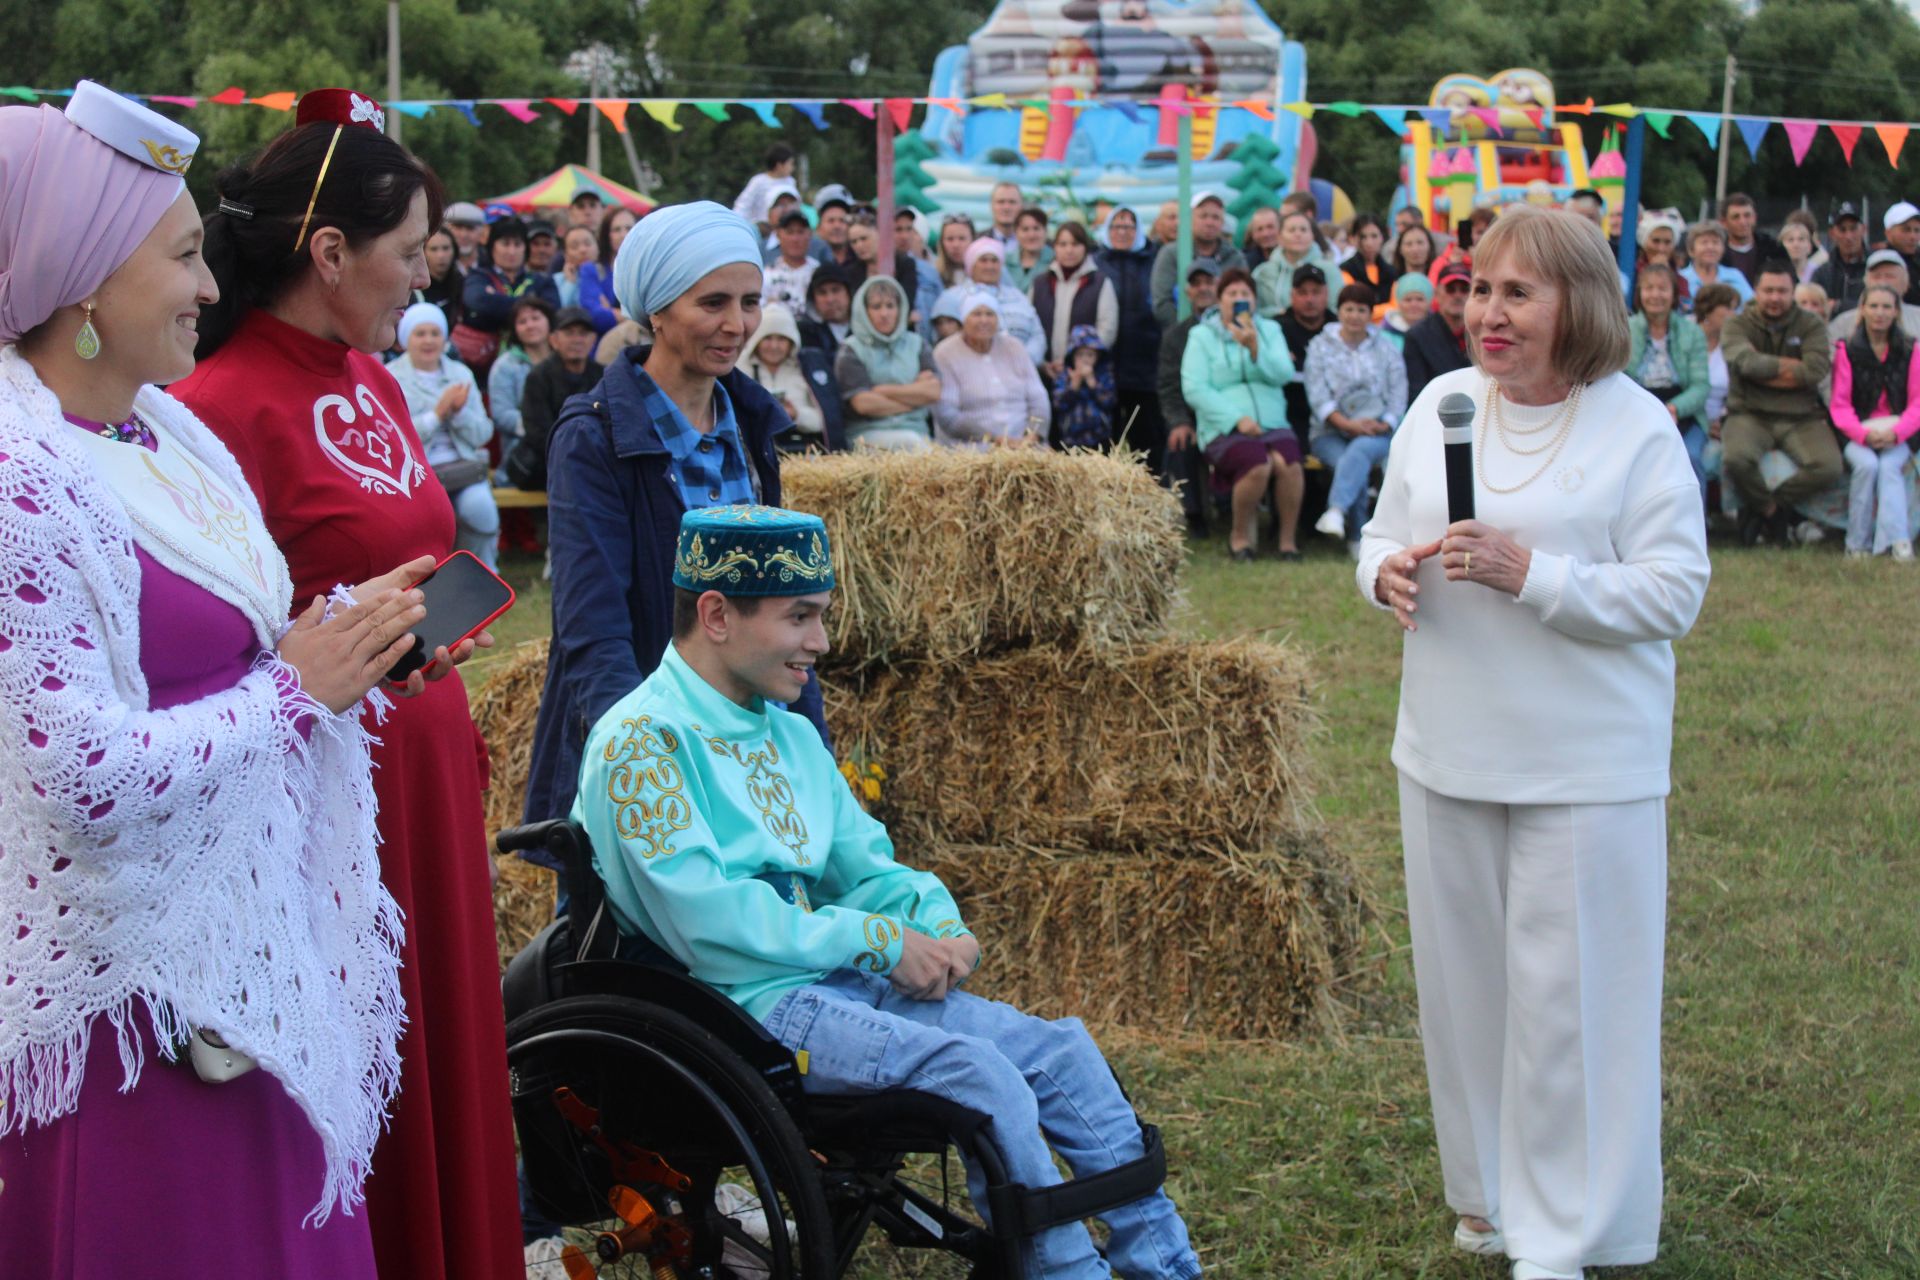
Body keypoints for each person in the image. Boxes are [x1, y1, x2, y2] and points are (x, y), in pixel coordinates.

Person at [0, 80, 440, 1280]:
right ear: (85, 281)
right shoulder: (20, 477)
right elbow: (77, 770)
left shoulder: (165, 431)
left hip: (249, 961)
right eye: (185, 256)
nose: (210, 285)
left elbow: (230, 653)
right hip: (136, 1010)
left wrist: (339, 645)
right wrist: (294, 690)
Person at [575, 505, 1203, 1280]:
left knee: (1061, 1051)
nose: (822, 643)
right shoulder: (641, 742)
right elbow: (709, 921)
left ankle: (1166, 1265)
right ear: (716, 614)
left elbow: (866, 868)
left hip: (829, 980)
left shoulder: (788, 732)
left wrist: (934, 922)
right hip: (740, 1009)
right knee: (982, 1078)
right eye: (800, 617)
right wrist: (873, 941)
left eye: (823, 617)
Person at [169, 87, 519, 1280]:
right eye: (411, 252)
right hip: (325, 793)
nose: (427, 279)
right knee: (372, 1053)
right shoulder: (212, 408)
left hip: (421, 755)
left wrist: (418, 629)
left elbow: (390, 547)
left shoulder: (373, 376)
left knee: (445, 1041)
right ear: (329, 253)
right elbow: (198, 646)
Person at [1358, 204, 1710, 1280]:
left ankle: (1566, 1230)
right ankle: (1487, 1196)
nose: (1488, 313)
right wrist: (1383, 575)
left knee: (1570, 1004)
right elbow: (1379, 530)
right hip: (1448, 748)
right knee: (1465, 991)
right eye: (1478, 289)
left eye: (1519, 293)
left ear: (1580, 306)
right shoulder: (1439, 403)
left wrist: (1535, 575)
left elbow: (1675, 589)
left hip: (1583, 764)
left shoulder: (1634, 425)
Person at [523, 201, 831, 851]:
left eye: (749, 302)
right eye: (712, 302)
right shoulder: (594, 436)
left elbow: (780, 610)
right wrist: (645, 775)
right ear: (657, 310)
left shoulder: (750, 424)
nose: (737, 324)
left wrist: (812, 756)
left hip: (753, 747)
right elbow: (593, 625)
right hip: (648, 753)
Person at [1181, 267, 1304, 561]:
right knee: (1257, 464)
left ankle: (1287, 542)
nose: (1239, 299)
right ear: (1220, 300)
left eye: (1245, 294)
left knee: (1289, 464)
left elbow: (1284, 373)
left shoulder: (1269, 330)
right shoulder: (1201, 336)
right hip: (1225, 425)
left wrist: (1255, 350)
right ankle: (1239, 537)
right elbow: (1195, 387)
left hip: (1272, 421)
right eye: (1232, 294)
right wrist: (1237, 419)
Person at [1721, 262, 1841, 546]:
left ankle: (1767, 508)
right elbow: (1744, 364)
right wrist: (1792, 369)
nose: (1775, 297)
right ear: (1756, 291)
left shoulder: (1810, 324)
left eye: (1782, 291)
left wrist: (1764, 371)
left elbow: (1815, 371)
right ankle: (1772, 514)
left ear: (1793, 291)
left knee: (1829, 466)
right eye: (1768, 290)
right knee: (1735, 460)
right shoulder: (1737, 324)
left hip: (1801, 416)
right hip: (1749, 414)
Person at [388, 302, 500, 567]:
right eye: (420, 333)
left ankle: (482, 576)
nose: (428, 341)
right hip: (416, 475)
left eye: (435, 333)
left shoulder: (460, 373)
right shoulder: (391, 377)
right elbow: (391, 440)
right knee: (424, 526)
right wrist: (437, 415)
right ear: (406, 339)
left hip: (462, 468)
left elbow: (482, 434)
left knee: (481, 509)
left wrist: (459, 414)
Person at [1307, 284, 1408, 549]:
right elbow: (1317, 394)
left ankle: (1337, 513)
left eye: (1361, 310)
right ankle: (1357, 535)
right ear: (1339, 311)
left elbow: (1399, 392)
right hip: (1329, 432)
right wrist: (1346, 424)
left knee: (1359, 451)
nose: (1354, 315)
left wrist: (1384, 422)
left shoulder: (1386, 348)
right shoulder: (1319, 346)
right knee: (1349, 461)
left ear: (1370, 314)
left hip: (1377, 431)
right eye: (1348, 309)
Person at [1828, 282, 1918, 560]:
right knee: (1866, 466)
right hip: (1859, 431)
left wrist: (1897, 433)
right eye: (1874, 306)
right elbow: (1840, 404)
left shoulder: (1911, 349)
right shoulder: (1847, 350)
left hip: (1899, 431)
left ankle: (1898, 541)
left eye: (1886, 307)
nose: (1880, 313)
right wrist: (1863, 435)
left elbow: (1917, 402)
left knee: (1891, 465)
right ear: (1863, 310)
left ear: (1896, 313)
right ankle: (1856, 543)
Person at [1626, 263, 1711, 502]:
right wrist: (1651, 411)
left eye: (1662, 289)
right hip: (1638, 411)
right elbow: (1621, 379)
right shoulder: (1626, 330)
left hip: (1682, 411)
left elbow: (1701, 386)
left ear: (1674, 294)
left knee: (1690, 457)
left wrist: (1673, 409)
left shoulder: (1691, 332)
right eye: (1649, 288)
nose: (1655, 295)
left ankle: (1696, 531)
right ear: (1640, 293)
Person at [932, 293, 1050, 450]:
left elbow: (1038, 399)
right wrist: (996, 439)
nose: (984, 320)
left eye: (990, 314)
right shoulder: (945, 353)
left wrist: (1031, 436)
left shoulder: (1014, 347)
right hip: (974, 447)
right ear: (963, 319)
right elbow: (948, 415)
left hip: (1024, 445)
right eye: (976, 314)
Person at [1099, 206, 1167, 469]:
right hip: (1107, 368)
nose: (1122, 232)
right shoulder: (1097, 261)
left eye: (1129, 227)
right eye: (1116, 226)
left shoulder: (1153, 260)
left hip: (1146, 367)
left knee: (1148, 443)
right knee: (1108, 443)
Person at [837, 276, 939, 451]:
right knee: (912, 444)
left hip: (917, 431)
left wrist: (882, 390)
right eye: (876, 307)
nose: (884, 314)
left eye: (890, 306)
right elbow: (863, 404)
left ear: (900, 309)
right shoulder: (851, 349)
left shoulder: (917, 344)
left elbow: (933, 391)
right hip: (867, 435)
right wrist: (914, 400)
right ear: (864, 310)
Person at [506, 306, 602, 492]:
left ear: (593, 340)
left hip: (594, 460)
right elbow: (537, 432)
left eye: (583, 334)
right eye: (570, 333)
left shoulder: (603, 375)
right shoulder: (539, 376)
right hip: (549, 464)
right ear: (554, 340)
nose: (577, 340)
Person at [1157, 260, 1221, 528]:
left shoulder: (1234, 331)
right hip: (1192, 414)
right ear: (1187, 291)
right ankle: (1193, 515)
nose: (1203, 289)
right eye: (1197, 284)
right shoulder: (1175, 335)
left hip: (1228, 413)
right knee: (1179, 442)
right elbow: (1168, 385)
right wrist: (1179, 422)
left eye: (1209, 282)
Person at [458, 215, 560, 375]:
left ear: (525, 248)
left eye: (517, 244)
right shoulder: (478, 276)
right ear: (493, 247)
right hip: (483, 365)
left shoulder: (540, 280)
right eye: (505, 244)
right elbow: (476, 300)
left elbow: (552, 310)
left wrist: (496, 303)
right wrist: (531, 304)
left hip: (533, 365)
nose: (511, 251)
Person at [934, 238, 1046, 364]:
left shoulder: (1017, 296)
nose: (989, 266)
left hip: (1023, 368)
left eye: (994, 261)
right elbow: (948, 339)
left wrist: (1024, 360)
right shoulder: (952, 297)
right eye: (983, 260)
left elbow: (1037, 334)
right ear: (972, 264)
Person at [739, 303, 832, 451]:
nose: (774, 346)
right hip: (751, 451)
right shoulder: (739, 368)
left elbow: (827, 421)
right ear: (756, 340)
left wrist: (796, 415)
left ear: (792, 341)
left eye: (781, 339)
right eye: (768, 338)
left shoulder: (806, 370)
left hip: (801, 452)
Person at [1034, 221, 1118, 379]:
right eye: (1063, 244)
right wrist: (1042, 363)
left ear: (1085, 247)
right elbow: (1030, 325)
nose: (1069, 250)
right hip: (1044, 373)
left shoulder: (1099, 282)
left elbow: (1107, 329)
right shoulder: (1040, 283)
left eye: (1075, 243)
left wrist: (1082, 362)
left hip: (1085, 376)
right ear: (1054, 247)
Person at [1151, 193, 1247, 326]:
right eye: (1203, 216)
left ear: (1222, 222)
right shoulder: (1170, 254)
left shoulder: (1235, 257)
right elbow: (1162, 303)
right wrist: (1188, 331)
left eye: (1216, 217)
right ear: (1190, 219)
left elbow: (1244, 298)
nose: (1209, 222)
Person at [488, 294, 554, 473]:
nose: (530, 325)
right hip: (525, 454)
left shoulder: (564, 359)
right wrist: (545, 432)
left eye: (535, 318)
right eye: (522, 321)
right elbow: (502, 415)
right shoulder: (505, 366)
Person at [1405, 261, 1474, 402]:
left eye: (1464, 289)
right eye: (1450, 289)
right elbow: (1417, 392)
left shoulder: (1482, 332)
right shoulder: (1418, 336)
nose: (1457, 295)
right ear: (1437, 294)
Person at [1276, 264, 1331, 438]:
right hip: (1289, 411)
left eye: (1316, 292)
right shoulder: (1276, 328)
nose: (1309, 299)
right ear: (1292, 295)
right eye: (1303, 292)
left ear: (1326, 294)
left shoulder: (1337, 327)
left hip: (1333, 412)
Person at [1252, 208, 1340, 319]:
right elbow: (1254, 310)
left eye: (1303, 230)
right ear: (1279, 236)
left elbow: (1336, 308)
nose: (1298, 234)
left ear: (1312, 236)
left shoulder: (1329, 269)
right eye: (1291, 230)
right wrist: (1278, 313)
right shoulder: (1263, 272)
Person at [1827, 249, 1920, 341]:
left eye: (1890, 276)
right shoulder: (1843, 324)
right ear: (1866, 282)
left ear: (1906, 283)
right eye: (1877, 277)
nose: (1883, 282)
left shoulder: (1917, 318)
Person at [1051, 324, 1119, 449]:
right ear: (1072, 356)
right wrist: (1074, 386)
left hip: (1099, 440)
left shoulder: (1103, 375)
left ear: (1098, 355)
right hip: (1070, 440)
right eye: (1080, 355)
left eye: (1090, 355)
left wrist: (1093, 383)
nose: (1085, 360)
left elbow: (1110, 402)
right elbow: (1058, 404)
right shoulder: (1065, 376)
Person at [842, 214, 922, 318]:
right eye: (854, 242)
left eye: (864, 239)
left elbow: (907, 301)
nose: (859, 245)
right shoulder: (850, 272)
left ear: (879, 235)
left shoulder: (904, 264)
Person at [578, 204, 636, 335]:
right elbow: (596, 316)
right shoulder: (591, 270)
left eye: (629, 228)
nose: (623, 234)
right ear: (606, 235)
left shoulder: (648, 267)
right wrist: (639, 317)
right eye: (616, 230)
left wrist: (612, 311)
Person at [1695, 282, 1740, 448]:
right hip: (1685, 420)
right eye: (1728, 308)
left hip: (1718, 426)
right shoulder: (1686, 335)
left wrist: (1723, 420)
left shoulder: (1731, 345)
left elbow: (1735, 395)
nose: (1733, 314)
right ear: (1708, 308)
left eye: (1735, 309)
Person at [764, 206, 823, 316]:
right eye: (790, 232)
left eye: (800, 232)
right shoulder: (766, 274)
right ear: (778, 235)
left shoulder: (820, 273)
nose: (795, 239)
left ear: (809, 234)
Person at [1679, 220, 1752, 308]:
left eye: (1715, 242)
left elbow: (1752, 306)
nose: (1710, 247)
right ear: (1691, 249)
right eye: (1704, 242)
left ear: (1723, 248)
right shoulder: (1680, 278)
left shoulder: (1735, 276)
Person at [1812, 201, 1868, 314]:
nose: (1848, 236)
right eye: (1842, 230)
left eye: (1853, 229)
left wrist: (1839, 305)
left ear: (1863, 230)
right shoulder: (1822, 273)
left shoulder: (1876, 268)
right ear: (1832, 233)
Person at [1342, 213, 1399, 312]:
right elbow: (1351, 307)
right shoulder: (1346, 269)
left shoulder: (1392, 271)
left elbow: (1396, 306)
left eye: (1374, 236)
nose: (1369, 243)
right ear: (1353, 239)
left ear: (1382, 237)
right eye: (1363, 237)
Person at [732, 142, 798, 229]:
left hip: (784, 228)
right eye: (790, 164)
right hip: (762, 228)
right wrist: (737, 225)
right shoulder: (758, 181)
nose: (793, 168)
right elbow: (742, 206)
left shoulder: (790, 182)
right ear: (779, 165)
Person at [1718, 193, 1780, 285]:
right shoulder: (1717, 254)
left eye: (1747, 215)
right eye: (1736, 217)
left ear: (1754, 218)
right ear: (1724, 222)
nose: (1743, 222)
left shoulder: (1773, 250)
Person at [417, 224, 466, 329]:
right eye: (434, 249)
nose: (441, 255)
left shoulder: (463, 282)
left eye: (446, 248)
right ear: (423, 252)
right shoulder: (416, 288)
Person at [799, 264, 853, 359]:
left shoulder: (865, 329)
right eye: (822, 292)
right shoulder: (805, 333)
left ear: (849, 293)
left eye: (835, 290)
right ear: (813, 299)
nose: (830, 299)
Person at [1006, 205, 1053, 293]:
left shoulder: (1055, 261)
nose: (1031, 235)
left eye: (1036, 228)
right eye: (1025, 229)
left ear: (1046, 231)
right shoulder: (1004, 262)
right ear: (1016, 232)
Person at [1880, 200, 1920, 304]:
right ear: (1888, 233)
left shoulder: (1917, 262)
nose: (1913, 236)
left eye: (1917, 230)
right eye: (1906, 230)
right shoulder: (1880, 265)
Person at [1382, 272, 1433, 350]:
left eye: (1420, 299)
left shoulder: (1439, 333)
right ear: (1399, 303)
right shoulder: (1383, 337)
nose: (1414, 305)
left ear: (1429, 302)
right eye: (1408, 300)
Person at [553, 224, 598, 308]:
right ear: (565, 255)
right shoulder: (556, 280)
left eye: (588, 244)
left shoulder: (610, 275)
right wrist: (570, 282)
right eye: (574, 246)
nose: (583, 250)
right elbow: (557, 307)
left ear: (598, 247)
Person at [1777, 209, 1827, 284]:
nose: (1796, 244)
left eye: (1801, 239)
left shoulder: (1820, 273)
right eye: (1790, 240)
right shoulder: (1773, 273)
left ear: (1810, 246)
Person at [445, 199, 488, 275]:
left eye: (470, 228)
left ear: (481, 233)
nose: (464, 235)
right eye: (458, 227)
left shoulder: (492, 265)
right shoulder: (437, 267)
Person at [934, 211, 977, 287]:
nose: (956, 245)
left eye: (962, 238)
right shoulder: (932, 273)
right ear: (941, 242)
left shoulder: (989, 271)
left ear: (973, 240)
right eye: (950, 239)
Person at [815, 189, 854, 266]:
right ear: (819, 228)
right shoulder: (811, 260)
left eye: (842, 220)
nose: (837, 226)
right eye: (831, 221)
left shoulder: (863, 260)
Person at [988, 180, 1024, 245]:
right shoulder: (974, 242)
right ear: (991, 206)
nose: (1006, 208)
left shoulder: (1042, 244)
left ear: (1021, 206)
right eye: (1001, 202)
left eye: (1012, 202)